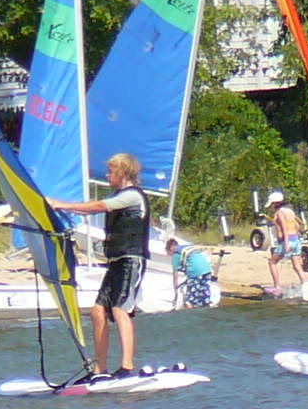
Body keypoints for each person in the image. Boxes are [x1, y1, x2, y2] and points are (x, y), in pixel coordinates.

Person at [49, 152, 149, 375]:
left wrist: (61, 204)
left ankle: (127, 366)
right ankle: (99, 369)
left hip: (131, 260)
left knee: (120, 309)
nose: (107, 175)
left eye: (111, 171)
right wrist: (58, 208)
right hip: (115, 262)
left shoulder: (132, 196)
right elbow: (95, 208)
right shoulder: (119, 196)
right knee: (97, 312)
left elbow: (99, 206)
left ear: (122, 172)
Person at [264, 191, 306, 294]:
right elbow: (297, 226)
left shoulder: (280, 213)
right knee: (297, 266)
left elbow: (284, 228)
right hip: (295, 240)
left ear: (275, 203)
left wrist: (286, 243)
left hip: (287, 241)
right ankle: (305, 284)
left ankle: (277, 287)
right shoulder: (290, 212)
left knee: (272, 262)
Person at [168, 237, 214, 309]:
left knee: (190, 300)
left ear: (170, 250)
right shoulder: (185, 248)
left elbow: (175, 276)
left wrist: (176, 295)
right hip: (207, 270)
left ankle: (190, 311)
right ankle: (205, 308)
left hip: (195, 272)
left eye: (168, 254)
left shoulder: (175, 255)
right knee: (204, 297)